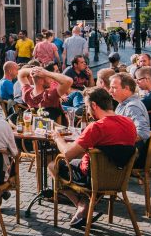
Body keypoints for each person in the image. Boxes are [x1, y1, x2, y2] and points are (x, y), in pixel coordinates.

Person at [48, 87, 138, 227]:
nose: (87, 111)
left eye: (87, 106)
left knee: (52, 165)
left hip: (93, 178)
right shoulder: (129, 123)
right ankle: (85, 201)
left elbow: (67, 154)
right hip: (119, 175)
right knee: (82, 158)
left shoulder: (96, 127)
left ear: (94, 105)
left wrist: (57, 138)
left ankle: (80, 204)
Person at [108, 73, 151, 150]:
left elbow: (143, 132)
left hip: (133, 155)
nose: (110, 90)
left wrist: (117, 142)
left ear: (127, 88)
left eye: (113, 87)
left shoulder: (132, 106)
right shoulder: (122, 103)